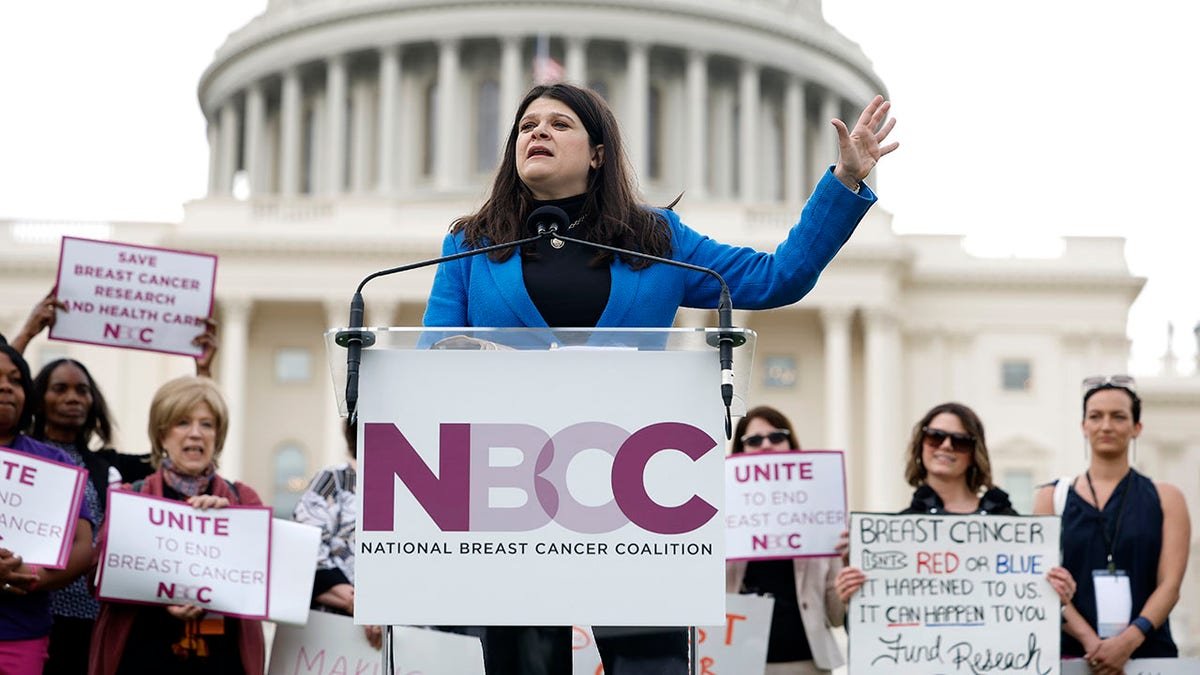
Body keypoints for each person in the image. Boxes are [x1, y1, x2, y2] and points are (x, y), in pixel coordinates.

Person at [422, 81, 897, 674]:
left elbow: (778, 277)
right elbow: (432, 362)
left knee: (650, 666)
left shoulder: (656, 240)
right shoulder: (472, 244)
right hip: (511, 494)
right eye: (526, 125)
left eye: (559, 124)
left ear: (598, 153)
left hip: (633, 493)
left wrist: (845, 182)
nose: (537, 132)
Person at [13, 290, 218, 675]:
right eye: (60, 388)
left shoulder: (110, 466)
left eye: (83, 390)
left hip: (93, 618)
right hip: (34, 611)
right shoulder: (20, 455)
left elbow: (179, 457)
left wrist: (202, 374)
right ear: (38, 398)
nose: (73, 398)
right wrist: (25, 335)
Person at [89, 376, 265, 675]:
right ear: (162, 435)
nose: (196, 434)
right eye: (182, 422)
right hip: (144, 657)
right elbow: (97, 576)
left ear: (218, 436)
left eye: (207, 424)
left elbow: (264, 578)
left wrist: (232, 521)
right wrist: (162, 597)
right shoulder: (132, 498)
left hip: (221, 661)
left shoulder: (242, 500)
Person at [834, 402, 1076, 606]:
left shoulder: (1006, 522)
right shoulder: (895, 533)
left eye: (960, 441)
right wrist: (853, 595)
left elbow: (1032, 604)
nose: (946, 445)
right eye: (935, 437)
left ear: (974, 453)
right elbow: (872, 624)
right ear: (921, 445)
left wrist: (1056, 594)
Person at [1032, 376, 1190, 674]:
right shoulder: (1050, 498)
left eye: (1118, 416)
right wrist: (1091, 641)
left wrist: (1128, 641)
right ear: (1083, 426)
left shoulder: (1166, 498)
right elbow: (1045, 584)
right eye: (1095, 416)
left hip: (1148, 656)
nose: (1106, 426)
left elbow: (1170, 585)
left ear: (1136, 428)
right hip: (1073, 657)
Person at [726, 406, 845, 675]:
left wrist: (847, 562)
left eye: (777, 436)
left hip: (805, 661)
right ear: (739, 452)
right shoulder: (722, 514)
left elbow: (837, 615)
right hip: (735, 660)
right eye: (754, 440)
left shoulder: (821, 514)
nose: (766, 445)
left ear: (792, 444)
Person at [0, 342, 95, 674]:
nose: (5, 387)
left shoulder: (53, 462)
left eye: (15, 379)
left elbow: (83, 546)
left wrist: (31, 576)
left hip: (21, 636)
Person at [292, 418, 383, 649]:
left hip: (412, 642)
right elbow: (305, 549)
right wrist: (359, 604)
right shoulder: (334, 480)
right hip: (337, 640)